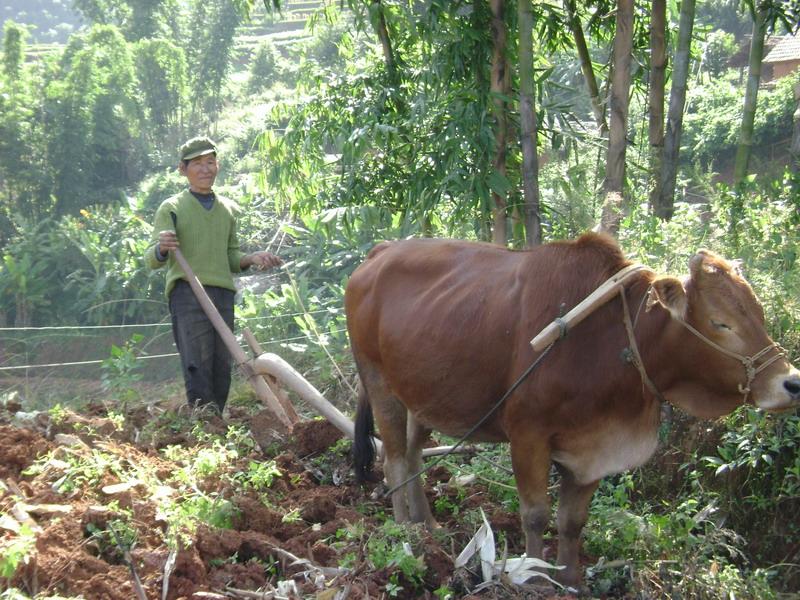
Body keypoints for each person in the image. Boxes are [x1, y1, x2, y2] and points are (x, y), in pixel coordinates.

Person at [146, 136, 282, 415]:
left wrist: (252, 259)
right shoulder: (171, 208)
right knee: (197, 360)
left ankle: (216, 419)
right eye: (197, 164)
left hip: (222, 292)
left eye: (210, 162)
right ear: (182, 170)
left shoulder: (228, 210)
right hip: (187, 292)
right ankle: (202, 421)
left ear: (217, 166)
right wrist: (162, 248)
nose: (205, 169)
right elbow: (152, 260)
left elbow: (230, 258)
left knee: (222, 362)